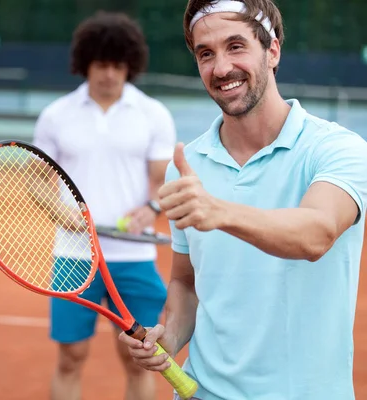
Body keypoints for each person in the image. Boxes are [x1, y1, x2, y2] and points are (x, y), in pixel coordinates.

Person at [118, 1, 367, 399]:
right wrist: (171, 336)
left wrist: (218, 211)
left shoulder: (338, 149)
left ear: (273, 50)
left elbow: (316, 234)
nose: (220, 68)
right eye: (206, 54)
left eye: (236, 46)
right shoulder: (187, 167)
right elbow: (187, 280)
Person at [32, 11, 178, 400]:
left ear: (130, 65)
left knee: (137, 358)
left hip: (134, 257)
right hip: (73, 256)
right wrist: (61, 212)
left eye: (118, 65)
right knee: (70, 357)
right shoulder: (56, 115)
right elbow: (37, 182)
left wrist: (150, 208)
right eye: (101, 65)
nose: (110, 74)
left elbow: (165, 181)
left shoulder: (152, 114)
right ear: (85, 64)